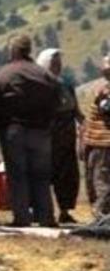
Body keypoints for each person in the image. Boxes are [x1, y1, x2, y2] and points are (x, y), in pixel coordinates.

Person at [0, 34, 59, 227]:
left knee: (18, 175)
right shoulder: (44, 74)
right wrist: (49, 122)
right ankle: (46, 217)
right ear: (29, 50)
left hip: (14, 131)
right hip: (41, 131)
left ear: (13, 50)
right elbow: (57, 100)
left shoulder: (4, 73)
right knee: (42, 176)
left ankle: (22, 217)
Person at [37, 48, 83, 224]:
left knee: (67, 175)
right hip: (48, 135)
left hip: (67, 135)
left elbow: (75, 109)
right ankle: (41, 211)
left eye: (59, 62)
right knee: (44, 173)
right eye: (53, 62)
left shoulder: (66, 84)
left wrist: (84, 124)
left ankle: (64, 210)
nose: (58, 66)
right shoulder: (40, 84)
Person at [81, 55, 110, 223]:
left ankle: (103, 218)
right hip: (96, 141)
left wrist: (102, 98)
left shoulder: (105, 92)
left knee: (102, 182)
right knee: (95, 180)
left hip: (104, 143)